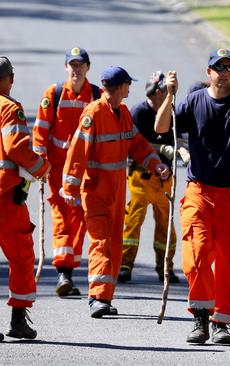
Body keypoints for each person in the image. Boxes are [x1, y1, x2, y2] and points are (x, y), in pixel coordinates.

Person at [155, 48, 230, 345]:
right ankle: (200, 316)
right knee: (195, 254)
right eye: (217, 67)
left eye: (228, 67)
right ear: (208, 72)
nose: (223, 72)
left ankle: (221, 322)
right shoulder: (194, 101)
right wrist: (170, 95)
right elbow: (160, 127)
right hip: (199, 191)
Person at [61, 66, 170, 318]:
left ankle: (106, 297)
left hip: (117, 192)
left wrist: (156, 164)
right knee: (100, 243)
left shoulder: (122, 113)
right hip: (96, 191)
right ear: (120, 87)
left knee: (114, 244)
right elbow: (77, 152)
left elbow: (138, 145)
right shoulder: (93, 113)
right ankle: (97, 297)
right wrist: (70, 187)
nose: (130, 88)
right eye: (127, 85)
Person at [33, 47, 101, 297]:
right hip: (57, 170)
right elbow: (40, 131)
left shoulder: (96, 95)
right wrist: (39, 163)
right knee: (61, 217)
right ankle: (64, 272)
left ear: (87, 68)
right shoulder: (54, 93)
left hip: (84, 171)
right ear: (66, 67)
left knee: (81, 220)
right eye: (72, 65)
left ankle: (68, 272)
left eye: (80, 64)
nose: (76, 69)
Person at [118, 71, 190, 284]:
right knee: (133, 222)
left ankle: (165, 268)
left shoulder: (171, 112)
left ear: (162, 93)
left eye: (155, 95)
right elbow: (133, 144)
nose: (152, 100)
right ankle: (125, 265)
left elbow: (181, 136)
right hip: (142, 176)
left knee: (166, 226)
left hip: (165, 179)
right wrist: (162, 148)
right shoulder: (139, 112)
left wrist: (183, 149)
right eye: (150, 96)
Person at [0, 56, 51, 340]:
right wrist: (41, 167)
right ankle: (18, 320)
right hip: (5, 197)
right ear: (9, 79)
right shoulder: (9, 108)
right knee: (20, 257)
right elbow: (16, 148)